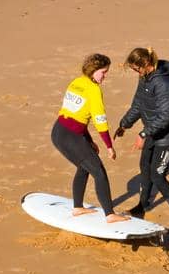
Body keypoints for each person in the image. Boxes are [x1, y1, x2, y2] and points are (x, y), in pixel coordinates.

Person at [115, 47, 169, 229]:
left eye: (136, 69)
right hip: (152, 131)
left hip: (167, 136)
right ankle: (143, 206)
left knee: (158, 175)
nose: (135, 72)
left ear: (146, 64)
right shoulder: (144, 78)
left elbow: (165, 117)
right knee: (145, 167)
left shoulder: (164, 83)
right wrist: (124, 124)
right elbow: (138, 104)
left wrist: (143, 134)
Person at [51, 54, 127, 224]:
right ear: (94, 70)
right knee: (99, 172)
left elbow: (77, 116)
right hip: (71, 137)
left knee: (84, 166)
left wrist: (89, 141)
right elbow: (100, 121)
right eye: (103, 72)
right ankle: (110, 215)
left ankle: (78, 207)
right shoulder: (94, 90)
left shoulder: (76, 82)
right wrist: (109, 146)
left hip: (58, 132)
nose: (105, 76)